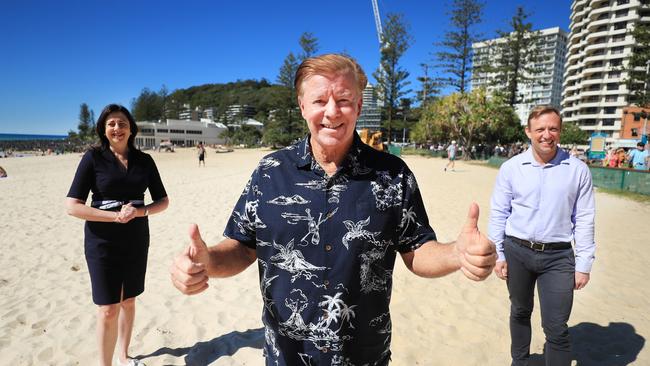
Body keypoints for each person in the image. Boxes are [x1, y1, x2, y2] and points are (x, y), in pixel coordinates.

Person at [170, 54, 496, 365]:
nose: (332, 112)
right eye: (318, 101)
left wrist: (456, 253)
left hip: (364, 355)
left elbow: (417, 251)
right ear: (301, 106)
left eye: (342, 100)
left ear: (358, 105)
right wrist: (208, 262)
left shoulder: (393, 175)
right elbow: (241, 247)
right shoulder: (270, 172)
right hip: (285, 356)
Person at [489, 105, 596, 366]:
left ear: (560, 131)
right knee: (520, 311)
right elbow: (499, 213)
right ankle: (520, 361)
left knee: (557, 326)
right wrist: (498, 254)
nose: (546, 135)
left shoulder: (577, 170)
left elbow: (584, 218)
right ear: (529, 132)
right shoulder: (512, 168)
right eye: (540, 129)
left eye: (553, 129)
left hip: (558, 257)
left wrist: (583, 264)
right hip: (517, 251)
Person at [66, 104, 169, 366]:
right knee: (108, 308)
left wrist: (139, 212)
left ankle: (124, 356)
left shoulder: (144, 161)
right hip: (102, 240)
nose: (117, 128)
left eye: (122, 123)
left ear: (131, 128)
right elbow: (73, 206)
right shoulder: (93, 158)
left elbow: (163, 201)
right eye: (111, 123)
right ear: (103, 128)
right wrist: (115, 216)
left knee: (129, 300)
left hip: (136, 238)